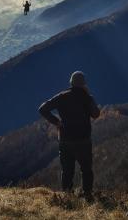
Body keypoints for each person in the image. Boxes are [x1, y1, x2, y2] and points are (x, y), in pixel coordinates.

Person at [38, 71, 100, 200]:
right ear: (83, 84)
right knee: (86, 170)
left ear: (71, 82)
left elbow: (42, 109)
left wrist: (56, 122)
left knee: (67, 171)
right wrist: (88, 96)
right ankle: (87, 196)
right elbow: (96, 114)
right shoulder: (86, 97)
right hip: (83, 140)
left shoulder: (62, 96)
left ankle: (67, 198)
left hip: (65, 140)